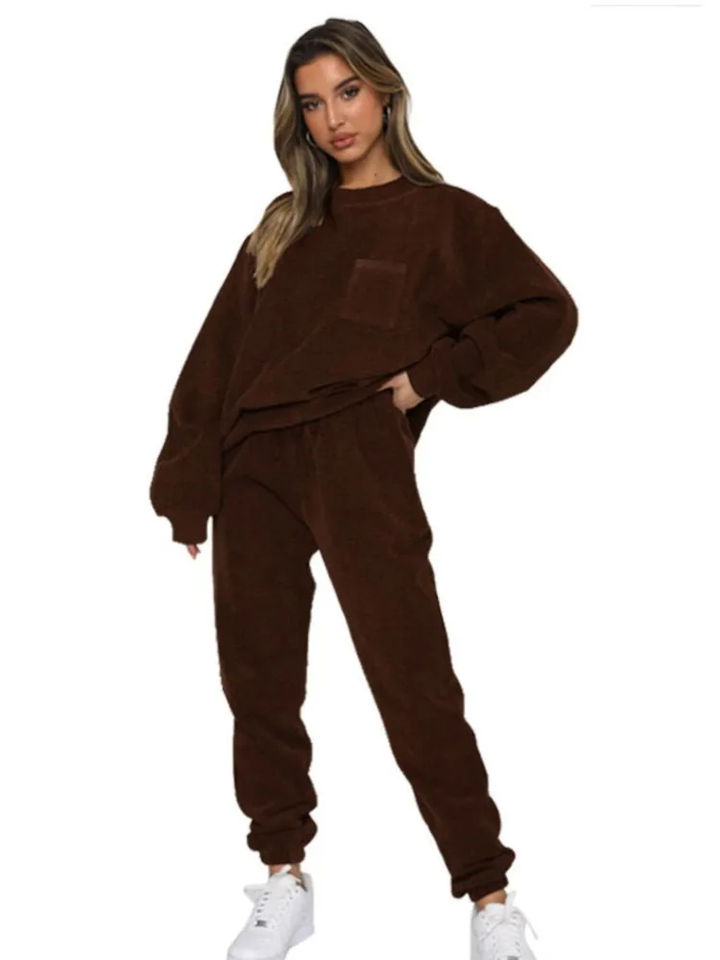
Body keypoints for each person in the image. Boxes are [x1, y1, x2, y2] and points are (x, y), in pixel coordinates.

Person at [149, 17, 577, 960]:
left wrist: (429, 380)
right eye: (312, 103)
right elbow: (216, 360)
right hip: (255, 465)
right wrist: (187, 485)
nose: (334, 118)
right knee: (258, 678)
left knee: (412, 677)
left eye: (348, 92)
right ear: (297, 119)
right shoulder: (284, 222)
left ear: (385, 91)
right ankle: (284, 878)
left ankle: (490, 896)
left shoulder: (446, 218)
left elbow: (547, 313)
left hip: (358, 454)